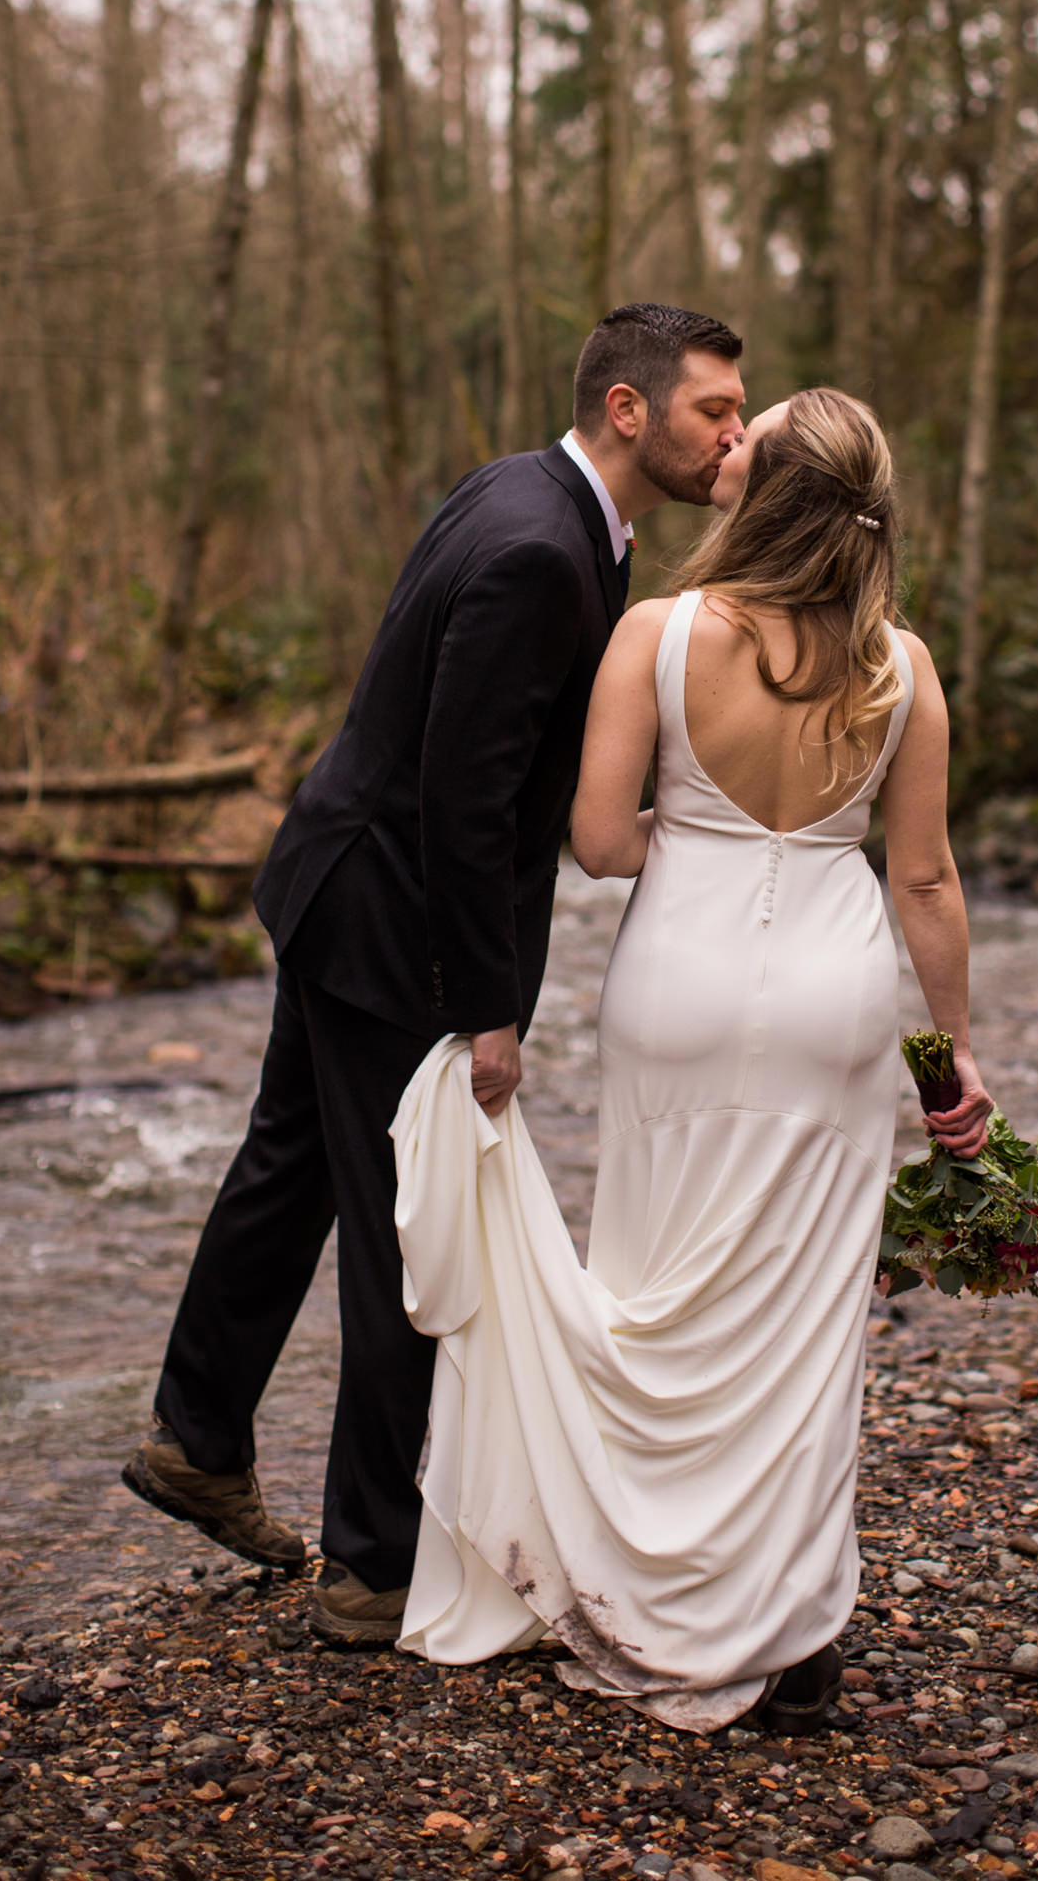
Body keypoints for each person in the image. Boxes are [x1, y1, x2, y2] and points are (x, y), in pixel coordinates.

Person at [120, 303, 746, 1646]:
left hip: (342, 883)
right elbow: (463, 800)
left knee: (290, 1170)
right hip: (397, 921)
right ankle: (370, 1564)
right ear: (631, 411)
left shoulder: (531, 495)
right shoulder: (539, 550)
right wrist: (485, 1008)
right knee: (413, 1225)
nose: (734, 433)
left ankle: (197, 1437)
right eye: (717, 410)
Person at [391, 386, 992, 1732]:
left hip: (677, 978)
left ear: (759, 488)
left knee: (655, 1286)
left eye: (744, 436)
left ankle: (637, 1587)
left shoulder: (655, 636)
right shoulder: (904, 667)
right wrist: (948, 1061)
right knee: (802, 1320)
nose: (721, 443)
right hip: (836, 994)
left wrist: (703, 839)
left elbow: (598, 837)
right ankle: (790, 1635)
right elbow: (929, 879)